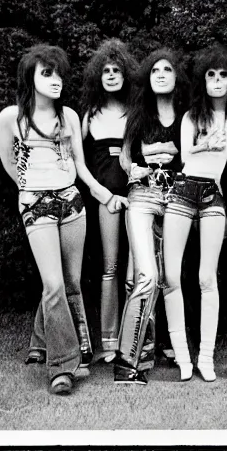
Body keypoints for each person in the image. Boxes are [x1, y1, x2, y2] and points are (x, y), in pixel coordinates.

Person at [0, 44, 127, 394]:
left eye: (58, 74)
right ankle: (63, 367)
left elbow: (81, 166)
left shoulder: (68, 116)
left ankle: (40, 341)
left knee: (69, 281)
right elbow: (11, 165)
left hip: (71, 203)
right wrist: (31, 190)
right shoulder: (11, 118)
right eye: (47, 74)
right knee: (53, 284)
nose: (56, 80)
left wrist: (105, 196)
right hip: (36, 206)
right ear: (31, 78)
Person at [163, 45, 227, 382]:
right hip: (184, 191)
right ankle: (183, 356)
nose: (217, 81)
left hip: (213, 195)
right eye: (211, 75)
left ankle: (206, 357)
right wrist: (205, 144)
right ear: (203, 80)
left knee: (206, 278)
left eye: (223, 75)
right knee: (171, 276)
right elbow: (184, 158)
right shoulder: (190, 117)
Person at [114, 48, 190, 384]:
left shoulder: (188, 118)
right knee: (144, 275)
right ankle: (126, 363)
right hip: (142, 199)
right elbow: (125, 158)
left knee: (167, 277)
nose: (161, 74)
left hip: (176, 200)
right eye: (155, 69)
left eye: (167, 69)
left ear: (176, 78)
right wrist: (135, 170)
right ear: (148, 76)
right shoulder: (139, 115)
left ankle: (153, 347)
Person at [81, 38, 138, 362]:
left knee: (137, 269)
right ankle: (109, 341)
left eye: (117, 70)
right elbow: (77, 160)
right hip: (105, 199)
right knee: (110, 267)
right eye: (106, 71)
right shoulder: (90, 114)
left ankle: (134, 336)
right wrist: (100, 192)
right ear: (98, 76)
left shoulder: (134, 112)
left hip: (135, 198)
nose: (112, 75)